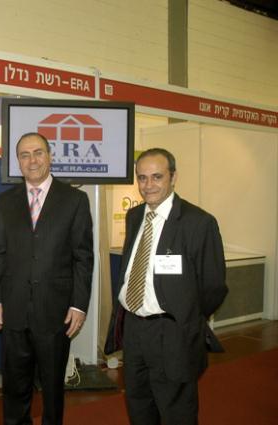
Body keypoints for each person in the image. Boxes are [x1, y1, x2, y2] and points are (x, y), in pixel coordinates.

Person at [105, 148, 228, 425]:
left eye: (157, 177)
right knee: (139, 404)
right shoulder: (135, 216)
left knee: (176, 411)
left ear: (173, 177)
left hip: (172, 333)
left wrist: (184, 318)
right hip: (133, 329)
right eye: (142, 178)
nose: (148, 185)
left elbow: (213, 287)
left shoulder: (198, 223)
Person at [0, 132, 94, 425]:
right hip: (13, 310)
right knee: (14, 387)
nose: (32, 160)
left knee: (52, 388)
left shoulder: (75, 200)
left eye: (38, 153)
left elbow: (83, 257)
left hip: (55, 312)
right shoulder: (4, 201)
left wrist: (79, 305)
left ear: (50, 156)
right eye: (24, 155)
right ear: (18, 161)